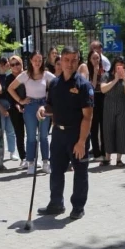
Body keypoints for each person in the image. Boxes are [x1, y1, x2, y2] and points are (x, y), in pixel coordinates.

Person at [36, 46, 93, 220]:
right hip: (58, 135)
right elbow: (51, 106)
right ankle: (56, 203)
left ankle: (78, 207)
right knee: (56, 170)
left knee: (80, 171)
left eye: (74, 60)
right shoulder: (54, 84)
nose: (69, 63)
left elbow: (88, 117)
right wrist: (42, 109)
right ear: (60, 60)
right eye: (66, 59)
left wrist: (81, 142)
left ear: (78, 61)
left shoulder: (83, 86)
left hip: (77, 134)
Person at [8, 50, 54, 175]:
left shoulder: (46, 74)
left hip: (44, 106)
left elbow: (58, 84)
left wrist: (51, 101)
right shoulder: (25, 75)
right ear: (31, 61)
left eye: (40, 60)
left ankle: (45, 162)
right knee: (31, 136)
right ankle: (31, 162)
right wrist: (20, 101)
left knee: (44, 136)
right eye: (35, 60)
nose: (37, 63)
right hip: (30, 106)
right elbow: (10, 88)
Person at [101, 57, 125, 166]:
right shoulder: (106, 76)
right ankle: (107, 157)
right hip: (109, 106)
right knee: (108, 131)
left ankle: (119, 159)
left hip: (123, 107)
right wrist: (115, 79)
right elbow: (103, 89)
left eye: (122, 66)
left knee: (122, 131)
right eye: (118, 65)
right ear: (114, 65)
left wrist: (123, 79)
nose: (120, 68)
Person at [79, 50, 108, 161]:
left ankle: (105, 152)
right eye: (94, 58)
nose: (96, 60)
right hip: (92, 99)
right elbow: (92, 86)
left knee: (103, 126)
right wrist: (95, 73)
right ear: (89, 60)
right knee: (94, 127)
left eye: (98, 58)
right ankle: (96, 153)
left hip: (102, 98)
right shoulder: (87, 71)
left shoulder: (104, 71)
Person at [0, 57, 18, 161]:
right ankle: (0, 154)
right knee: (1, 131)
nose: (8, 64)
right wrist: (1, 108)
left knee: (11, 130)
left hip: (10, 104)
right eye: (5, 63)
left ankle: (12, 152)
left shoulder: (9, 77)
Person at [5, 55, 26, 164]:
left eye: (17, 63)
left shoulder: (27, 75)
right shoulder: (8, 78)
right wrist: (16, 104)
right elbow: (8, 94)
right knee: (19, 133)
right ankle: (23, 157)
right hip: (14, 108)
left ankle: (32, 157)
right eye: (12, 65)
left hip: (28, 105)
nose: (15, 66)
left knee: (32, 134)